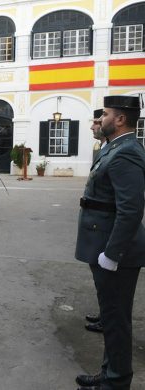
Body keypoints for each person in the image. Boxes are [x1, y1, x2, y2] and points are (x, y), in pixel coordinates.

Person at [75, 95, 145, 390]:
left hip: (115, 250)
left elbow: (130, 209)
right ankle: (109, 373)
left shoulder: (126, 151)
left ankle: (116, 382)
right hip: (103, 241)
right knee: (113, 317)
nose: (99, 119)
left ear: (119, 119)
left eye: (103, 114)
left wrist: (112, 254)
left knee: (116, 321)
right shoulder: (117, 147)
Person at [83, 109, 106, 335]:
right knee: (102, 280)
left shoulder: (122, 152)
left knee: (111, 282)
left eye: (98, 121)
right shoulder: (101, 147)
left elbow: (130, 206)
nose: (93, 126)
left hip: (107, 228)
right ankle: (105, 313)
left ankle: (109, 319)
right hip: (97, 226)